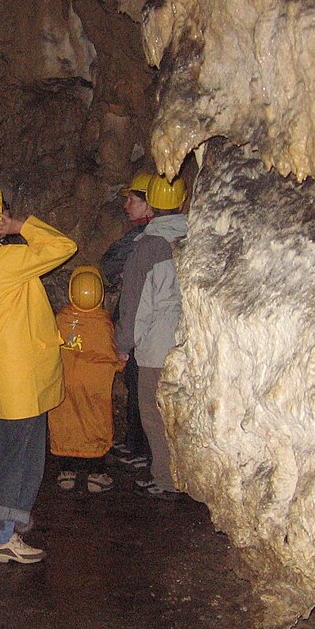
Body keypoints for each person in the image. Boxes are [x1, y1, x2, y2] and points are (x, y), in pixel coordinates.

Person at [0, 188, 76, 564]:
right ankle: (7, 536)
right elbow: (62, 245)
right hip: (20, 373)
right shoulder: (5, 260)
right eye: (1, 212)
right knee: (23, 456)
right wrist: (21, 225)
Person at [115, 174, 188, 501]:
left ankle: (166, 478)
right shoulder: (194, 236)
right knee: (181, 414)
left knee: (153, 412)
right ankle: (189, 476)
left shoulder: (147, 246)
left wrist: (123, 344)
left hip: (157, 344)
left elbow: (132, 304)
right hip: (189, 342)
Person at [48, 266, 125, 493]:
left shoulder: (61, 318)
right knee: (95, 423)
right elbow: (110, 355)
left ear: (72, 292)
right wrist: (120, 363)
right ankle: (95, 474)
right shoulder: (102, 322)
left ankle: (67, 472)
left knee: (65, 422)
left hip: (66, 384)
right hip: (94, 389)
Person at [100, 172, 154, 471]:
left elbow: (110, 263)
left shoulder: (145, 238)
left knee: (142, 385)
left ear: (149, 206)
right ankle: (135, 440)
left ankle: (145, 450)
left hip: (144, 322)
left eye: (133, 199)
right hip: (138, 318)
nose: (126, 205)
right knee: (135, 383)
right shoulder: (138, 236)